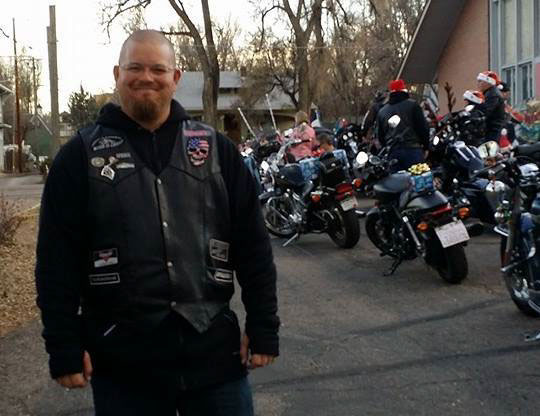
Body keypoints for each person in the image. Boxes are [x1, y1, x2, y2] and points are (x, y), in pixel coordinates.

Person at [35, 29, 279, 416]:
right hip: (124, 367)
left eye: (158, 69)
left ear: (175, 77)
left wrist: (263, 325)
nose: (146, 77)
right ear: (117, 74)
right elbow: (56, 261)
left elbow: (253, 247)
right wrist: (63, 344)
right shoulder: (79, 157)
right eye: (134, 68)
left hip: (214, 359)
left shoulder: (217, 150)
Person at [376, 79, 430, 171]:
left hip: (393, 152)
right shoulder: (413, 105)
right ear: (404, 90)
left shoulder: (382, 111)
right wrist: (426, 146)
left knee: (396, 179)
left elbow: (380, 135)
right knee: (417, 177)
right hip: (413, 150)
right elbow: (423, 128)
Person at [476, 70, 506, 142]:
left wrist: (476, 117)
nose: (478, 84)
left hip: (492, 130)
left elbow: (485, 110)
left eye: (480, 81)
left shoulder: (493, 94)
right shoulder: (489, 93)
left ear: (488, 82)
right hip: (489, 129)